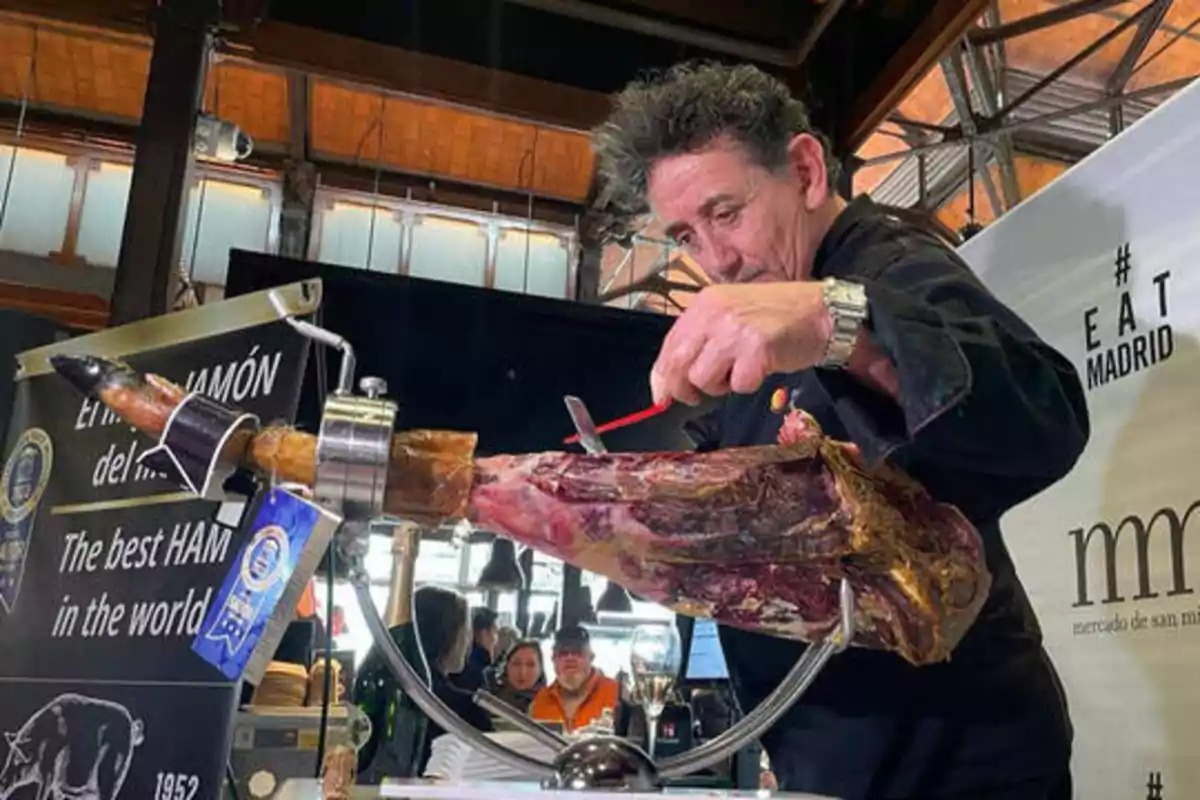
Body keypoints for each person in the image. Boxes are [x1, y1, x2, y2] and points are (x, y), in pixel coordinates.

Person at [591, 62, 1088, 800]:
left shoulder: (892, 261)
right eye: (686, 235)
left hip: (955, 763)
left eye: (726, 212)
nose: (714, 259)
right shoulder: (756, 309)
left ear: (804, 168)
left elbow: (1044, 419)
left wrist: (836, 323)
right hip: (832, 759)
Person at [414, 587, 493, 773]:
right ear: (446, 635)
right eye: (465, 630)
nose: (469, 641)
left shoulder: (392, 693)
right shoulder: (466, 707)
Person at [528, 626, 620, 733]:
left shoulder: (616, 692)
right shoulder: (540, 700)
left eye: (578, 652)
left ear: (591, 657)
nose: (570, 658)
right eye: (563, 653)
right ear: (553, 659)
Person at [451, 606, 499, 693]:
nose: (496, 639)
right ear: (483, 633)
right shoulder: (479, 670)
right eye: (495, 631)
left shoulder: (456, 662)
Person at [490, 639, 546, 713]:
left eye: (530, 665)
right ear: (507, 666)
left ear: (540, 670)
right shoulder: (490, 699)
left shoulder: (550, 705)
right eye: (516, 664)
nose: (522, 672)